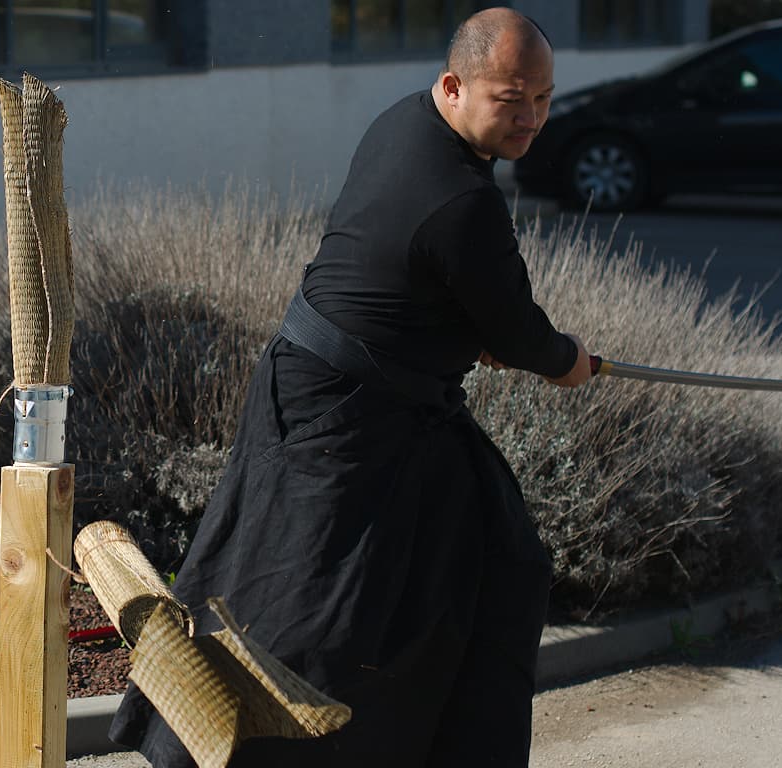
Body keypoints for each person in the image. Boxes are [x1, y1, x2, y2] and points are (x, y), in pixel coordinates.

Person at [109, 7, 593, 767]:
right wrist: (567, 360)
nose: (531, 117)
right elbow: (523, 337)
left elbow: (416, 271)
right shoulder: (464, 203)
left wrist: (467, 331)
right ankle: (209, 752)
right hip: (344, 419)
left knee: (494, 563)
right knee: (307, 607)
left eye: (543, 97)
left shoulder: (405, 120)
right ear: (454, 87)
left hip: (351, 392)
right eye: (511, 99)